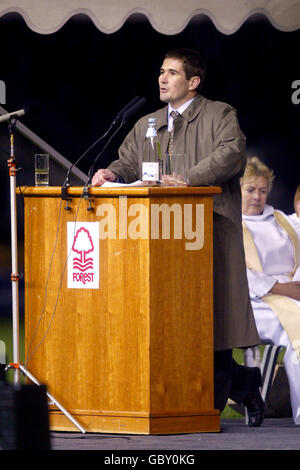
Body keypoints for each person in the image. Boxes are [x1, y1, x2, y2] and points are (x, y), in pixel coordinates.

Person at [92, 48, 264, 426]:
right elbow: (129, 162)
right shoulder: (148, 122)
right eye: (161, 71)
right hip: (158, 239)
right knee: (173, 323)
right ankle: (243, 381)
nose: (162, 78)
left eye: (172, 72)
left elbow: (231, 155)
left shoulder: (220, 114)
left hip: (209, 232)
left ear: (193, 82)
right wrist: (112, 174)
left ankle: (214, 402)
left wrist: (189, 179)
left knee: (210, 320)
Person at [241, 156, 300, 425]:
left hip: (292, 293)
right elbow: (238, 274)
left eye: (263, 190)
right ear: (238, 189)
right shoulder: (231, 225)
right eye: (250, 190)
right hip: (254, 302)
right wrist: (281, 288)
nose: (257, 197)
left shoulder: (279, 220)